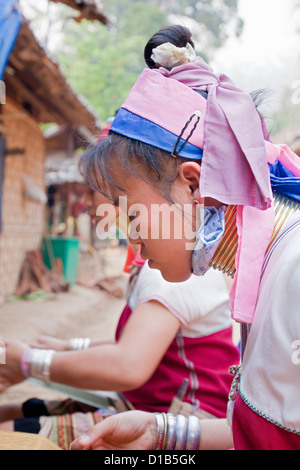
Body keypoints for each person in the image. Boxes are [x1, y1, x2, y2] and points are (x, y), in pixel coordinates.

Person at [69, 25, 300, 450]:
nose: (130, 237)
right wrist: (161, 433)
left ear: (193, 186)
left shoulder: (295, 271)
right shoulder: (268, 273)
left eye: (131, 212)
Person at [0, 187, 239, 449]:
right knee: (12, 412)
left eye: (95, 190)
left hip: (186, 416)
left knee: (10, 434)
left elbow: (128, 365)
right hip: (143, 405)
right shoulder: (159, 261)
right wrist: (66, 348)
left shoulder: (176, 270)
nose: (87, 202)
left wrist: (27, 362)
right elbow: (131, 345)